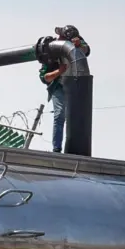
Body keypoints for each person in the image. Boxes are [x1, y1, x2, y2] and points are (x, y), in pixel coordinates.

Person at [38, 25, 91, 153]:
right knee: (60, 114)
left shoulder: (76, 41)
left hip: (75, 86)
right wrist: (59, 71)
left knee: (77, 117)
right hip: (59, 86)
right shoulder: (50, 49)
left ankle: (75, 148)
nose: (60, 39)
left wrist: (79, 45)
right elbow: (44, 77)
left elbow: (87, 49)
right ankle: (57, 148)